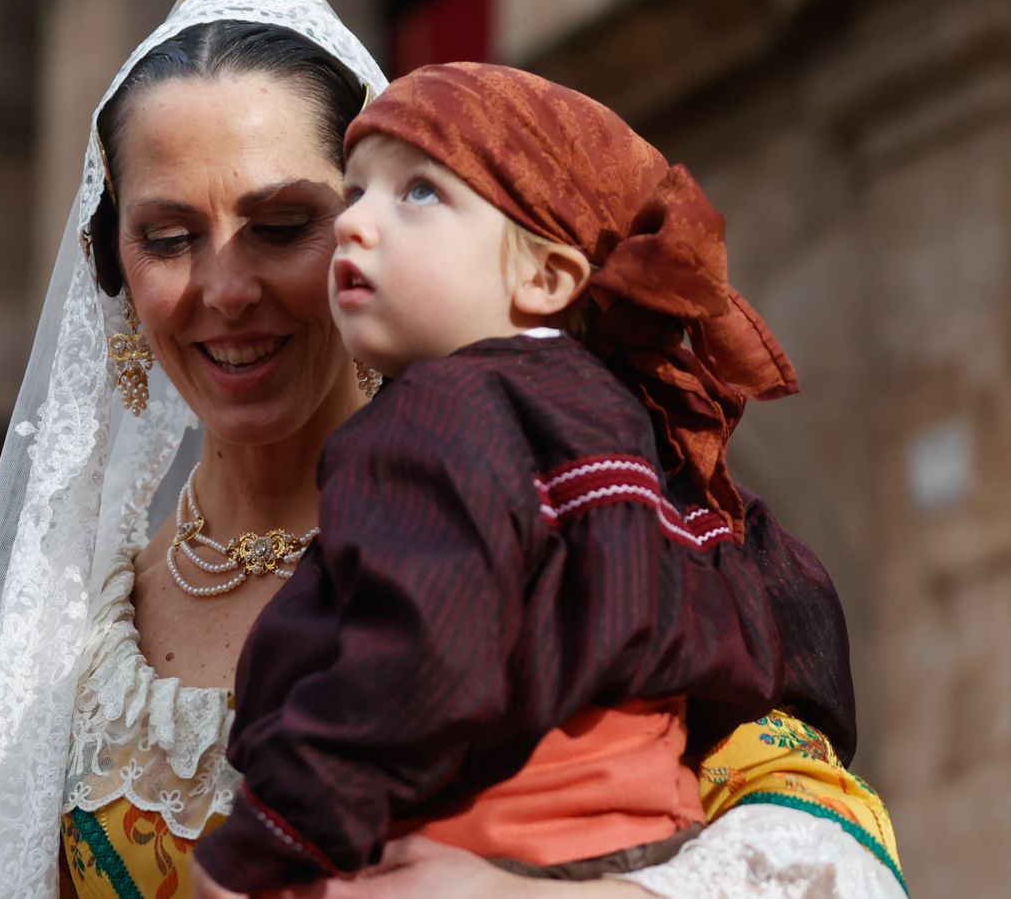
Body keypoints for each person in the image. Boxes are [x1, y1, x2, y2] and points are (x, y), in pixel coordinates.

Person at [0, 0, 903, 899]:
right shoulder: (53, 648)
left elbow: (836, 846)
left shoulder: (575, 519)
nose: (226, 289)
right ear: (115, 273)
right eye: (168, 237)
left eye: (283, 227)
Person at [190, 63, 861, 896]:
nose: (355, 226)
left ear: (545, 278)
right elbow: (783, 638)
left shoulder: (438, 419)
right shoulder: (631, 432)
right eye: (353, 193)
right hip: (649, 850)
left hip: (473, 853)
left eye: (420, 194)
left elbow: (416, 651)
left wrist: (268, 845)